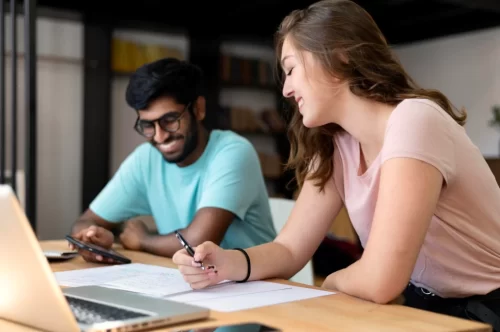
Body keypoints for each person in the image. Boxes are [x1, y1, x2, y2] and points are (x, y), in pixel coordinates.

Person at [173, 0, 500, 329]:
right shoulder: (334, 144)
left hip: (490, 307)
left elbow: (380, 280)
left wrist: (329, 285)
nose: (286, 89)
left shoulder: (414, 119)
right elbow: (289, 249)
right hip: (428, 304)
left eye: (291, 69)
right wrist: (226, 263)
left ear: (340, 54)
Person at [69, 57, 277, 261]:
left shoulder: (233, 152)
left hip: (259, 288)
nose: (160, 136)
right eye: (148, 125)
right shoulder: (146, 159)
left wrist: (143, 240)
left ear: (198, 109)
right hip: (193, 285)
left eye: (170, 120)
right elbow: (85, 221)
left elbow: (199, 242)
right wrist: (92, 238)